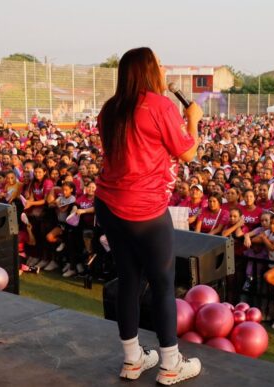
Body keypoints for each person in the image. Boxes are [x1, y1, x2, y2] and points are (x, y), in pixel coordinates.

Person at [93, 47, 202, 384]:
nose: (164, 67)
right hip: (146, 210)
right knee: (163, 284)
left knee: (129, 280)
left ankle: (132, 360)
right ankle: (171, 364)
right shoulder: (159, 106)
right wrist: (193, 121)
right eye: (158, 63)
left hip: (108, 204)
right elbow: (188, 153)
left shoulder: (110, 109)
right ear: (147, 70)